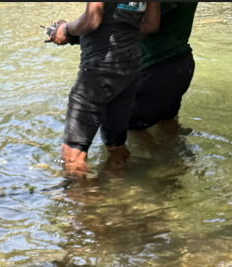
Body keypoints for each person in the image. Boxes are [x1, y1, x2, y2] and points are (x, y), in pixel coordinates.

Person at [51, 2, 161, 175]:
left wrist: (65, 29)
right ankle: (118, 191)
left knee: (72, 155)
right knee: (116, 145)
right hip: (130, 65)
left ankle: (88, 199)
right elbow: (151, 24)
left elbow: (92, 20)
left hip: (98, 68)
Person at [129, 1, 198, 134]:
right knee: (168, 121)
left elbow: (148, 24)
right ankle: (177, 154)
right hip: (181, 63)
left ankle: (153, 154)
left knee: (135, 130)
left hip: (156, 68)